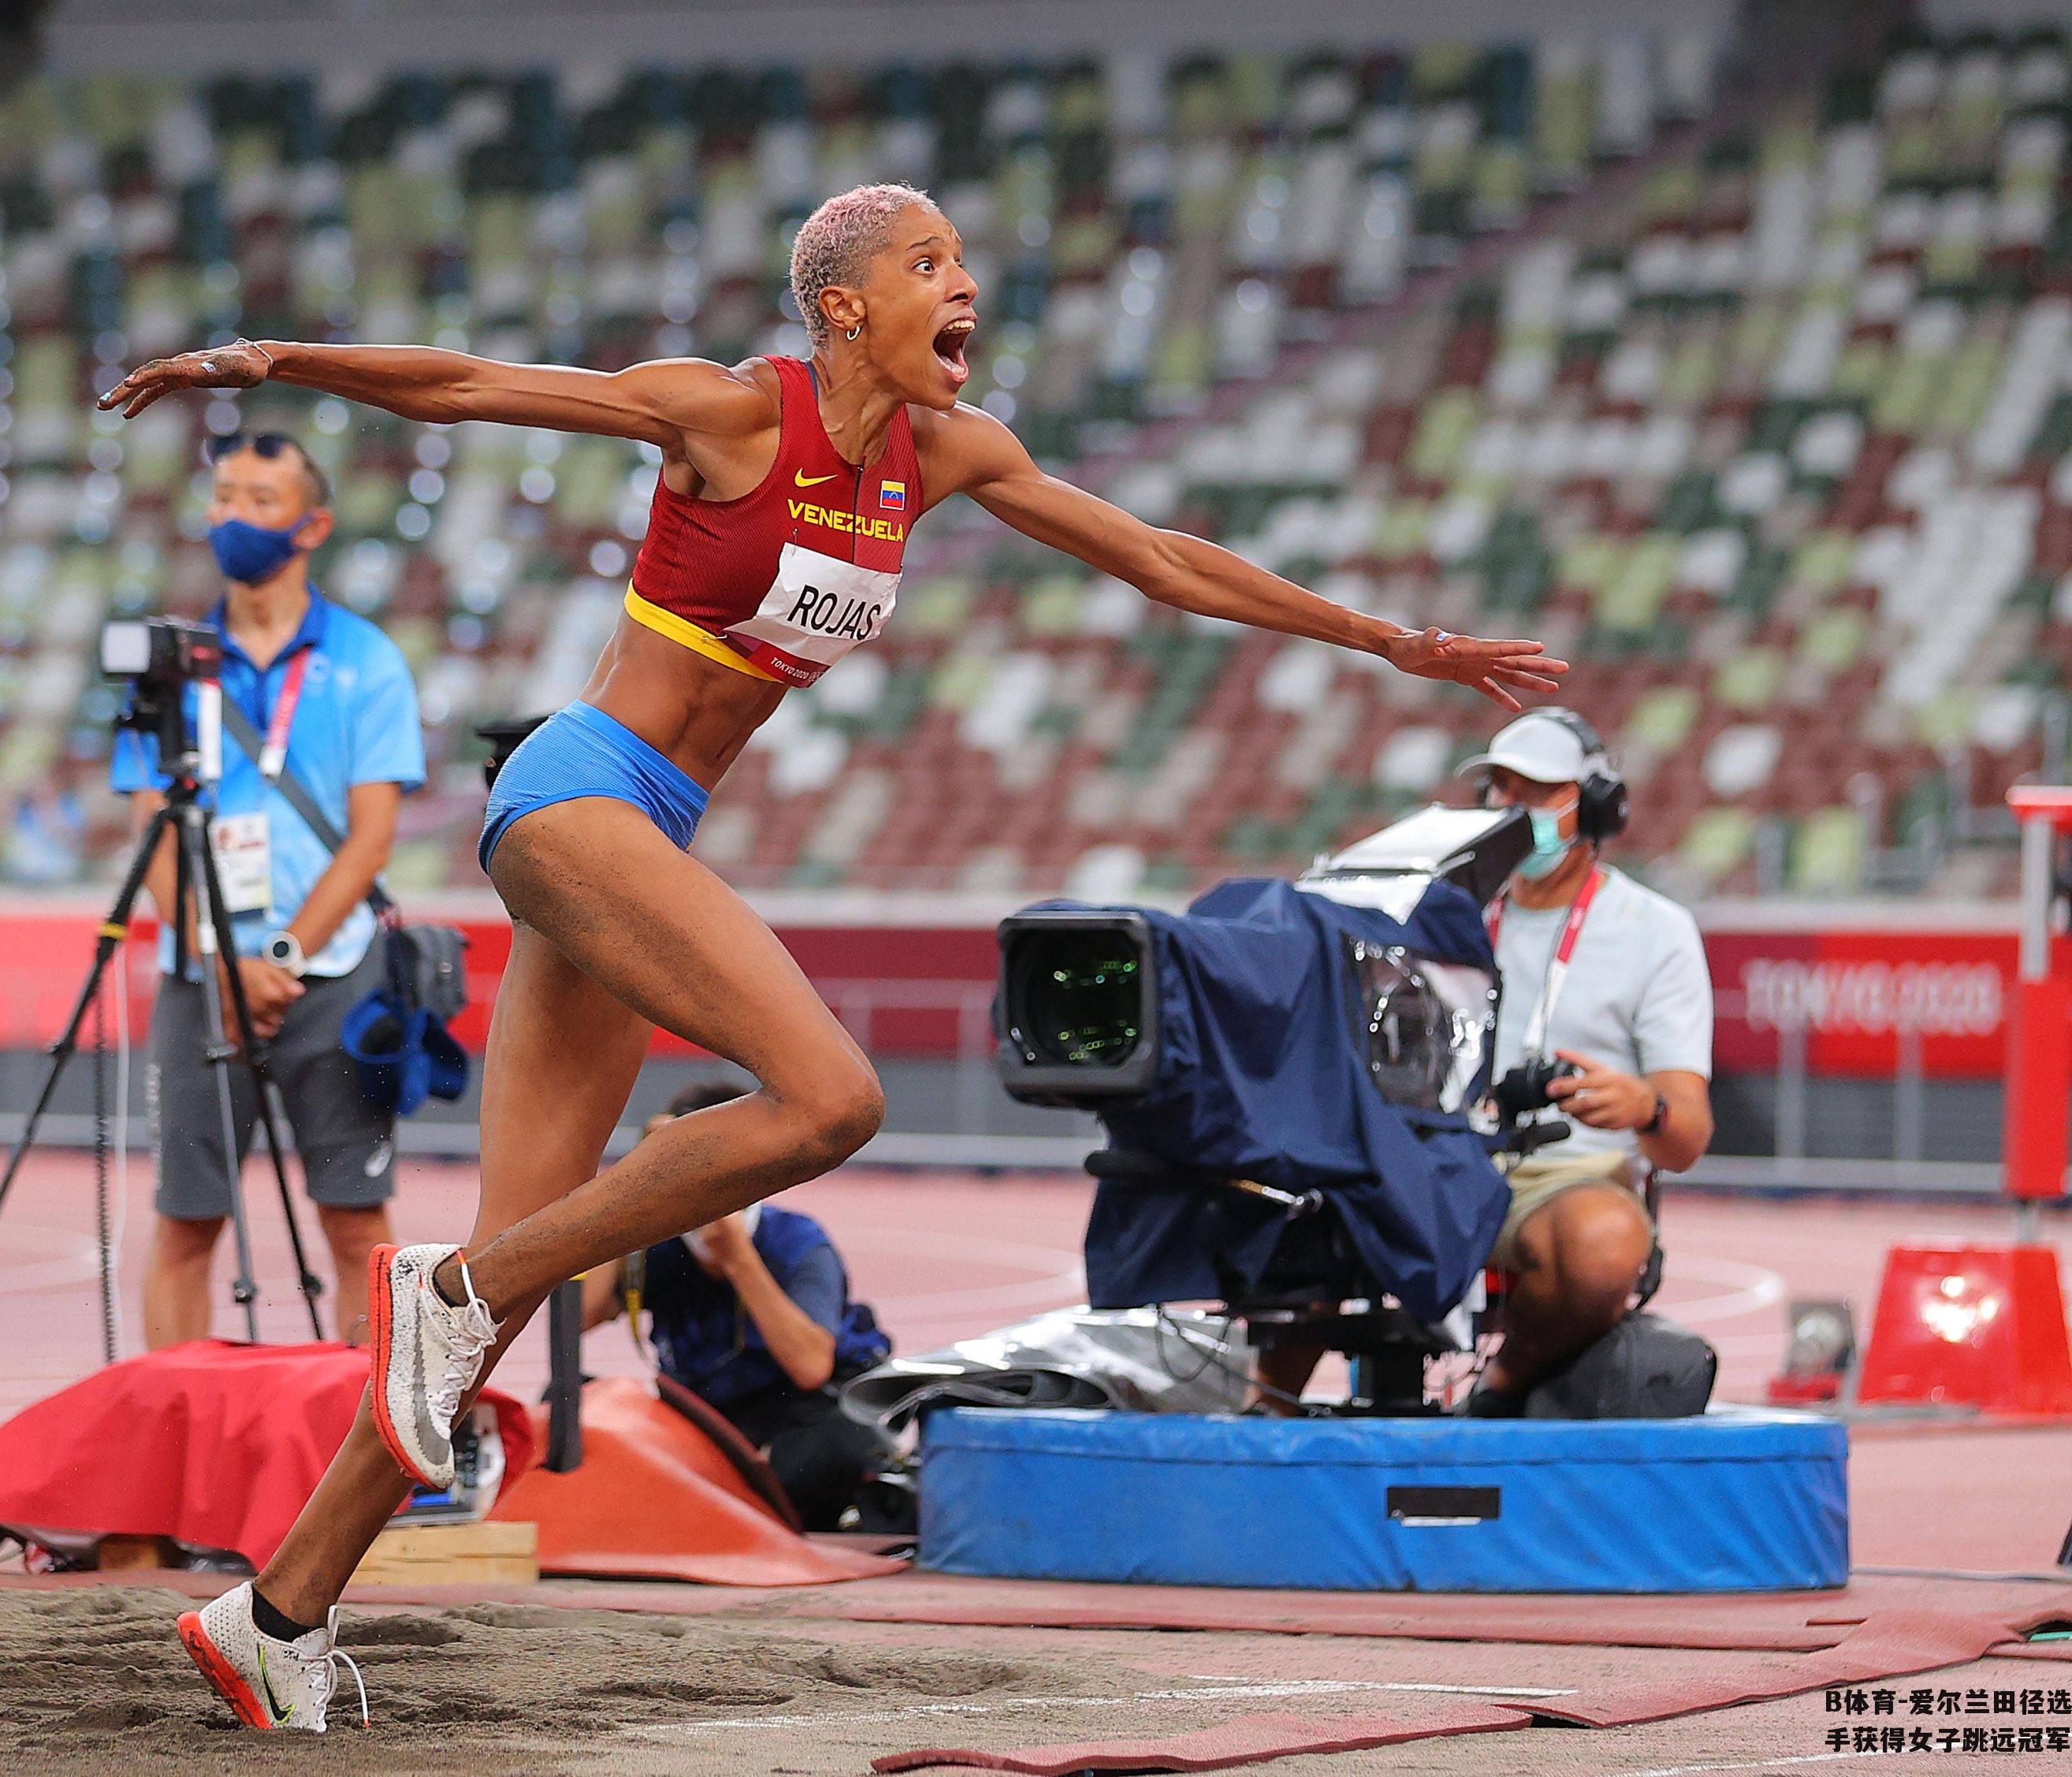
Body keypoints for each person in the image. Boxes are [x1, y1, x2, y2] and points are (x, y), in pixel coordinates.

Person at [102, 180, 1568, 1732]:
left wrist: (1397, 642)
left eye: (963, 259)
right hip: (577, 792)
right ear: (845, 302)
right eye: (929, 260)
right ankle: (451, 1285)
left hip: (647, 829)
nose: (967, 282)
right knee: (827, 1096)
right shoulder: (732, 416)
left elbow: (1163, 559)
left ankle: (274, 1609)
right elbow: (472, 386)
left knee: (510, 1287)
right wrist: (262, 359)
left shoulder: (943, 455)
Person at [110, 431, 426, 1351]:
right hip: (199, 982)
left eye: (261, 499)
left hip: (333, 980)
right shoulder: (166, 665)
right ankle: (176, 1440)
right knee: (185, 1224)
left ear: (312, 523)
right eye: (223, 496)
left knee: (357, 1225)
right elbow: (153, 836)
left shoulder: (368, 660)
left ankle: (370, 1453)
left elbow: (370, 839)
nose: (234, 515)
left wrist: (277, 957)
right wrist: (223, 958)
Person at [1457, 708, 1714, 1416]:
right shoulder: (1447, 913)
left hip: (1569, 1178)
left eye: (1536, 792)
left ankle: (1500, 1390)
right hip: (1443, 1162)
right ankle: (1268, 1420)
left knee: (1606, 1244)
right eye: (1499, 790)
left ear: (1596, 805)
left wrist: (1645, 1107)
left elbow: (1686, 1136)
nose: (1512, 810)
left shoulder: (1655, 932)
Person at [582, 1079, 894, 1531]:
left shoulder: (797, 1242)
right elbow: (578, 1319)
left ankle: (723, 1504)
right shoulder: (662, 1245)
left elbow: (810, 1366)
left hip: (797, 1407)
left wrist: (737, 1257)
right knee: (572, 1404)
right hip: (702, 1414)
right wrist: (631, 1190)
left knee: (829, 1452)